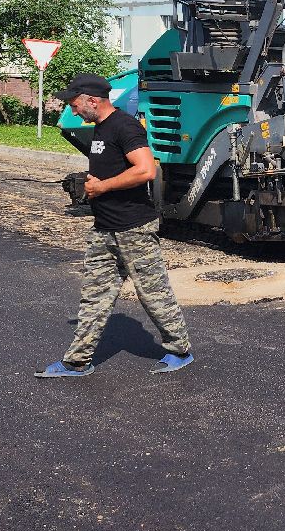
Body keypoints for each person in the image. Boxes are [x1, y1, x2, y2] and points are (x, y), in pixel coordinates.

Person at [37, 74, 194, 377]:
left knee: (154, 293)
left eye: (75, 104)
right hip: (104, 229)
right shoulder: (99, 128)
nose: (73, 110)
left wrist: (104, 186)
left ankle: (180, 349)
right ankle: (78, 361)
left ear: (92, 100)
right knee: (94, 296)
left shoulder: (124, 126)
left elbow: (146, 170)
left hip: (134, 228)